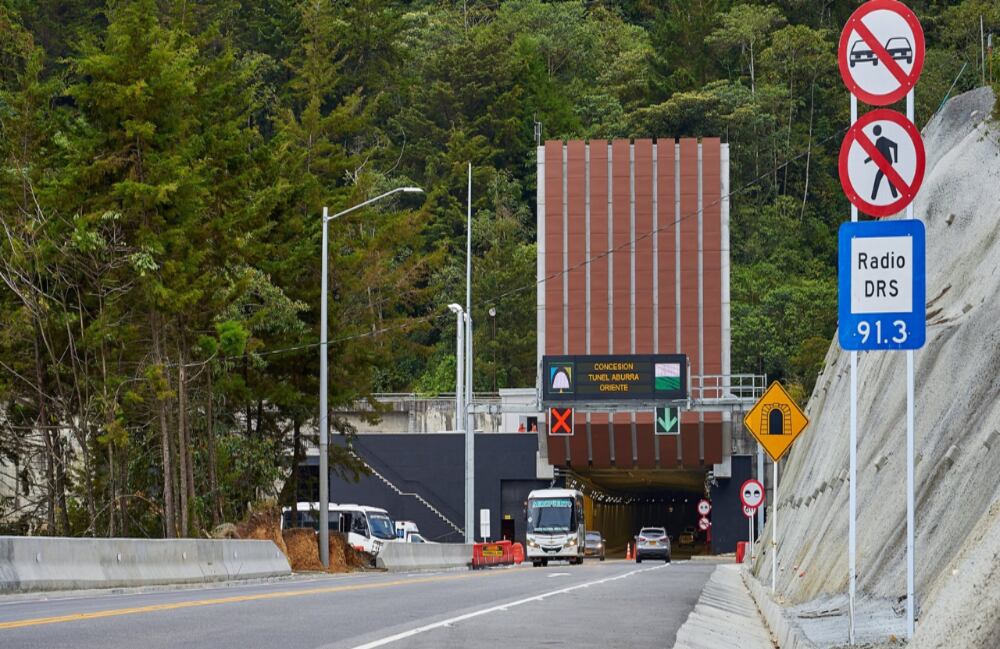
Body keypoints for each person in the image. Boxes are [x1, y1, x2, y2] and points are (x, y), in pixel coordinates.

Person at [864, 124, 899, 200]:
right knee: (887, 179)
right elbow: (874, 154)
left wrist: (896, 160)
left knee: (879, 178)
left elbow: (895, 145)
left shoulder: (882, 139)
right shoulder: (878, 141)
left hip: (887, 163)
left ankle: (873, 197)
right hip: (884, 164)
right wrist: (866, 161)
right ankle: (894, 195)